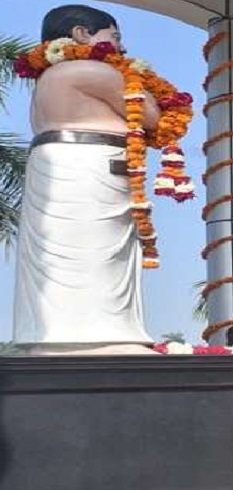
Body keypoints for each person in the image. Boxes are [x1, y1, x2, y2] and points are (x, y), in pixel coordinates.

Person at [13, 5, 162, 353]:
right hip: (89, 167)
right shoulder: (90, 70)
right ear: (81, 35)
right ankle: (104, 338)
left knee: (67, 254)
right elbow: (152, 117)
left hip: (56, 163)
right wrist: (137, 76)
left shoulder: (49, 78)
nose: (122, 49)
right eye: (115, 37)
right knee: (96, 254)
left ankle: (52, 338)